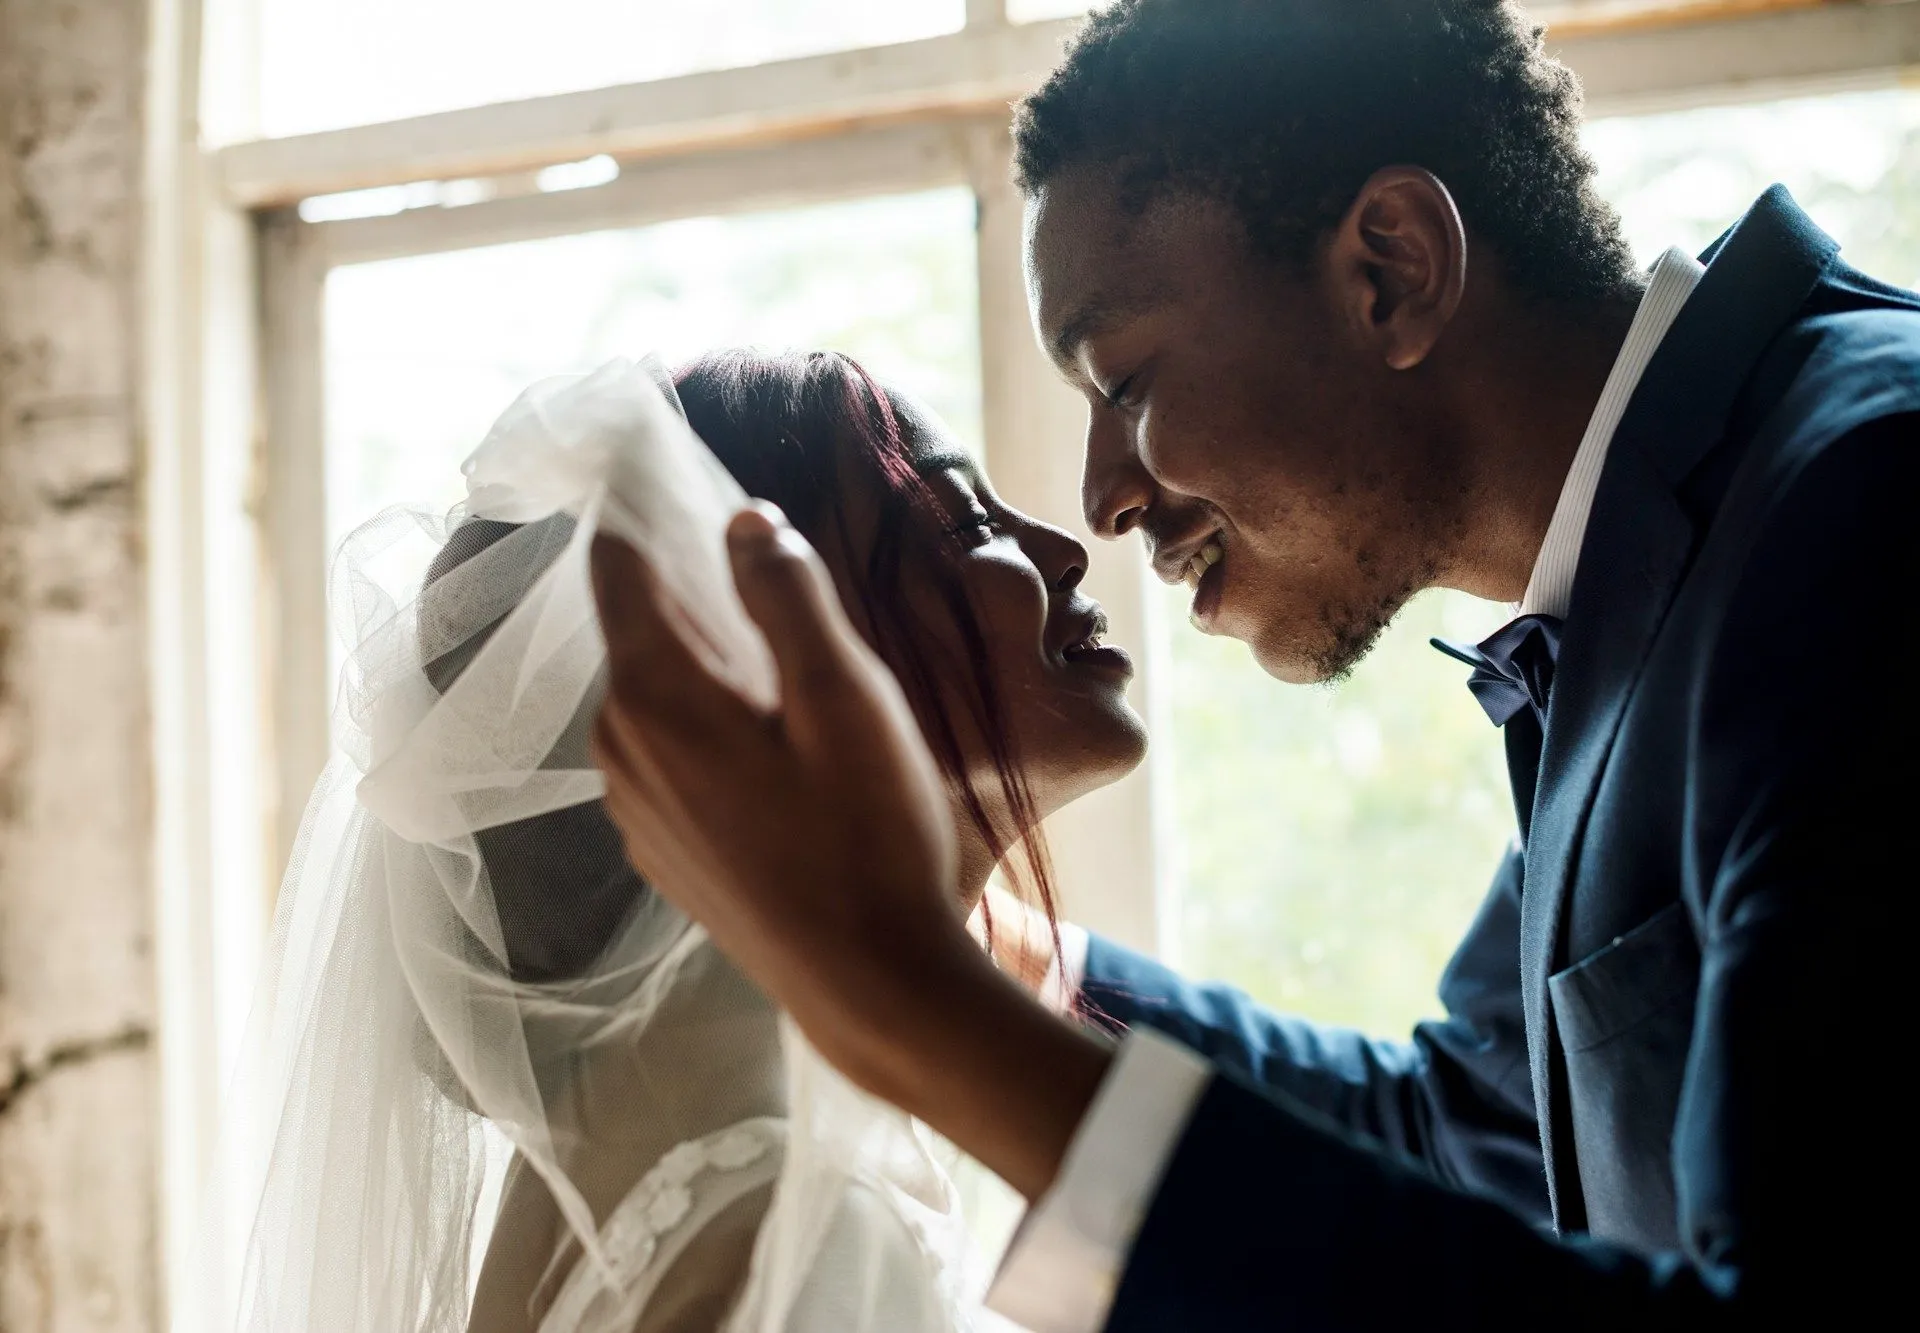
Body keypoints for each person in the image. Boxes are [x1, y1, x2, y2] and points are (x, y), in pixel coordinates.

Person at [584, 1, 1920, 1329]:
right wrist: (994, 945)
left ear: (1387, 271)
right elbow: (1455, 1131)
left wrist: (906, 1000)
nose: (1103, 501)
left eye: (1126, 384)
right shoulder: (1664, 578)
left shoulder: (1865, 504)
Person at [226, 350, 1146, 1333]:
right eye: (963, 520)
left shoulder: (632, 1169)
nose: (1065, 545)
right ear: (757, 655)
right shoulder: (794, 1222)